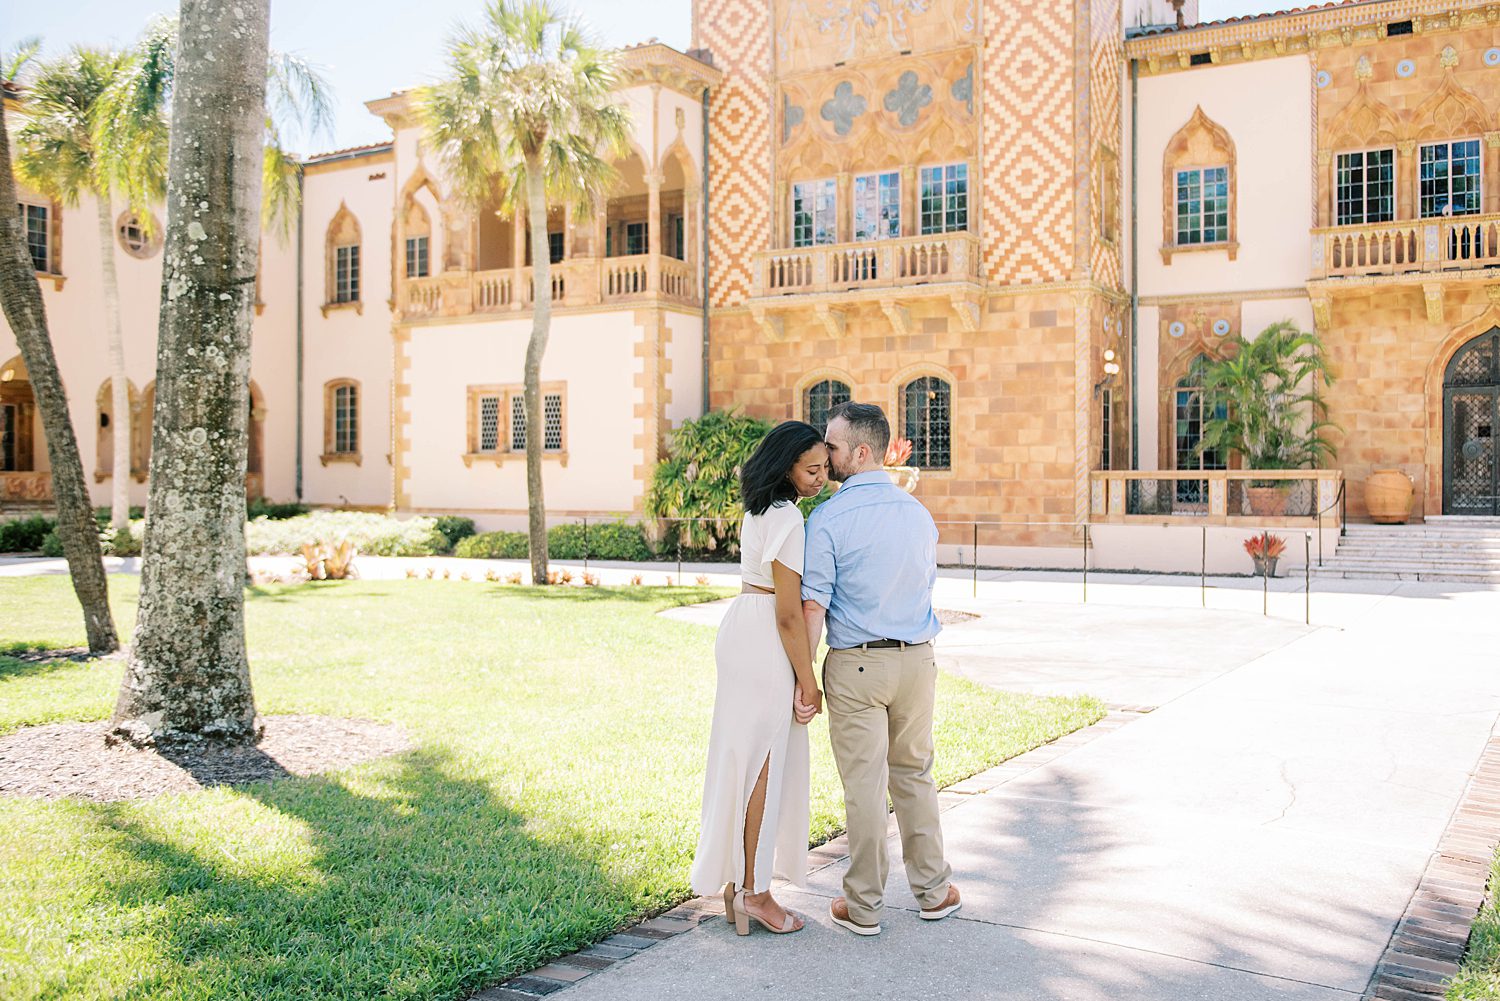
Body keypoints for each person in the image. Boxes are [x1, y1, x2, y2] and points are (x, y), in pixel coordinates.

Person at [801, 401, 961, 937]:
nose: (826, 453)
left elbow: (813, 608)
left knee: (865, 787)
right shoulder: (918, 514)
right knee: (915, 775)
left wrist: (802, 678)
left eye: (833, 445)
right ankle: (934, 892)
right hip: (918, 662)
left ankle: (864, 907)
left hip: (858, 667)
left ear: (861, 452)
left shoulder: (827, 518)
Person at [690, 420, 827, 936]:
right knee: (763, 767)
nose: (818, 478)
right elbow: (790, 614)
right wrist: (808, 681)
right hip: (767, 633)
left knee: (740, 760)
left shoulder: (758, 510)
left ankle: (738, 882)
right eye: (810, 469)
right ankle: (757, 894)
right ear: (785, 465)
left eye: (822, 469)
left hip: (741, 625)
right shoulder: (790, 518)